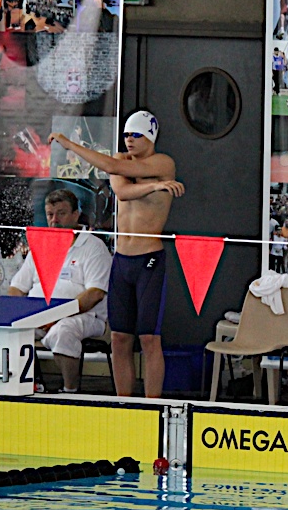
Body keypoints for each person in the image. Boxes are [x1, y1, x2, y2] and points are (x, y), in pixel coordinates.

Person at [48, 111, 185, 398]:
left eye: (136, 135)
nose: (129, 140)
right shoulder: (121, 161)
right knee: (120, 338)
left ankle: (152, 406)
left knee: (149, 339)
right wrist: (155, 186)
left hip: (148, 261)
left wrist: (70, 144)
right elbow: (121, 191)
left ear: (151, 138)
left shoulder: (164, 163)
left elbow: (124, 176)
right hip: (121, 261)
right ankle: (125, 404)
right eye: (126, 135)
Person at [8, 189, 111, 393]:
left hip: (85, 316)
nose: (54, 220)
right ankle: (29, 385)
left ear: (76, 215)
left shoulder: (93, 247)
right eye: (50, 214)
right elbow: (17, 288)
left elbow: (95, 294)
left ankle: (69, 391)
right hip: (39, 315)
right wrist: (15, 313)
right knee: (10, 330)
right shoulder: (41, 246)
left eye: (61, 214)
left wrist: (56, 316)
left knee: (63, 331)